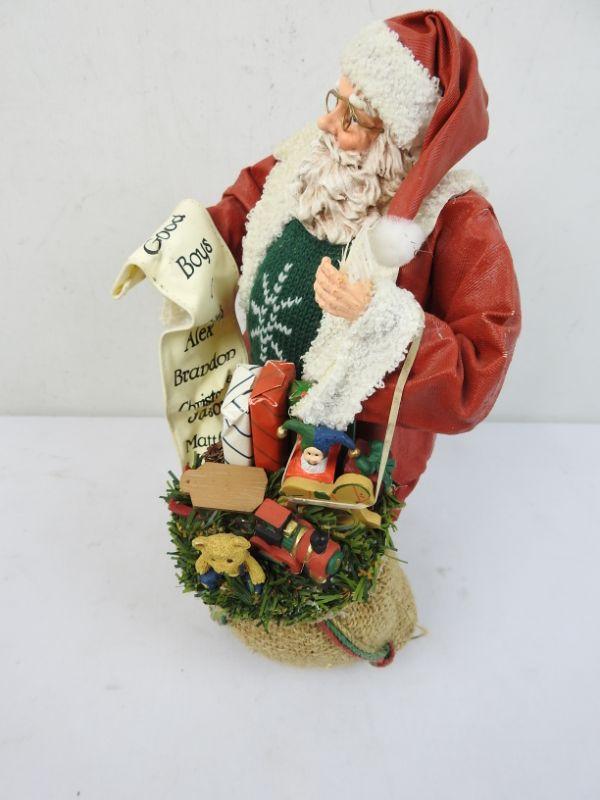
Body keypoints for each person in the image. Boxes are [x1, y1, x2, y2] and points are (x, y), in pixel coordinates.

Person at [205, 10, 521, 502]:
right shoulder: (310, 158)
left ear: (396, 141)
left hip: (352, 467)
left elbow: (478, 371)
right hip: (253, 411)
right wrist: (184, 242)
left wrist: (378, 317)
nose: (327, 123)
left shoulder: (456, 218)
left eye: (352, 116)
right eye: (336, 101)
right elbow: (242, 208)